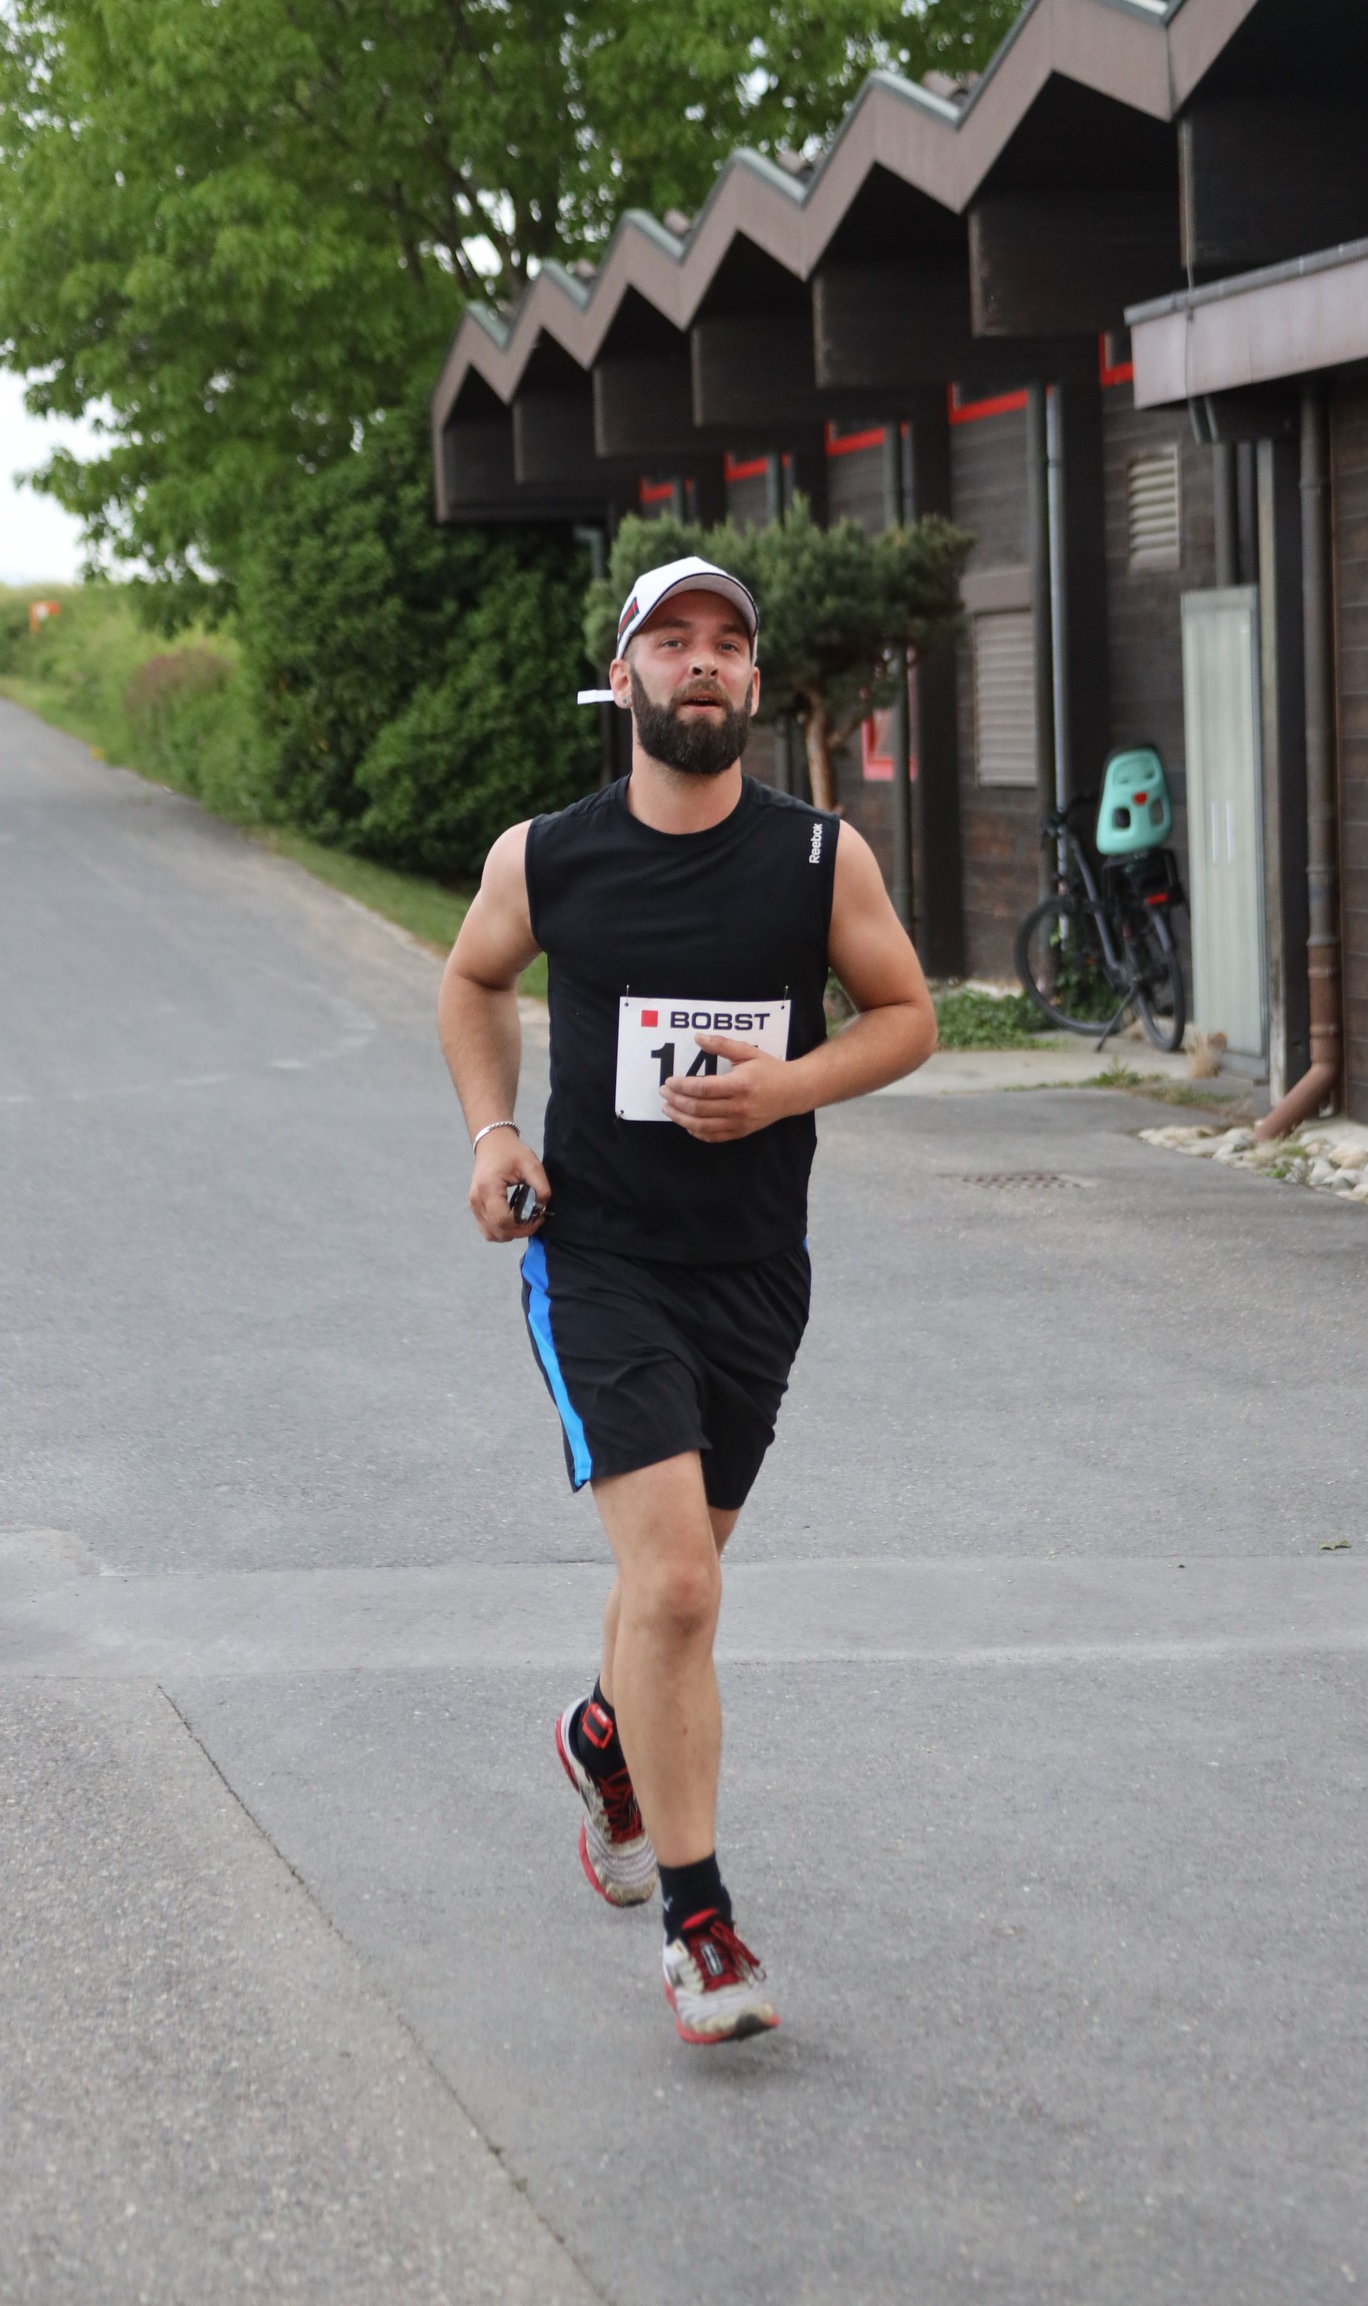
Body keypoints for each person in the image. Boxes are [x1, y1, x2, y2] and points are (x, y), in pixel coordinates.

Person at [437, 554, 936, 2044]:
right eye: (672, 641)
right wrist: (493, 1132)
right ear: (626, 677)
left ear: (754, 683)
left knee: (677, 1579)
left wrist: (789, 1085)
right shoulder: (548, 857)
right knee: (677, 1590)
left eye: (726, 642)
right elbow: (472, 982)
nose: (700, 661)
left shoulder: (819, 859)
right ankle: (700, 1928)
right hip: (596, 1258)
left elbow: (907, 1016)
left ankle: (606, 1737)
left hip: (755, 1272)